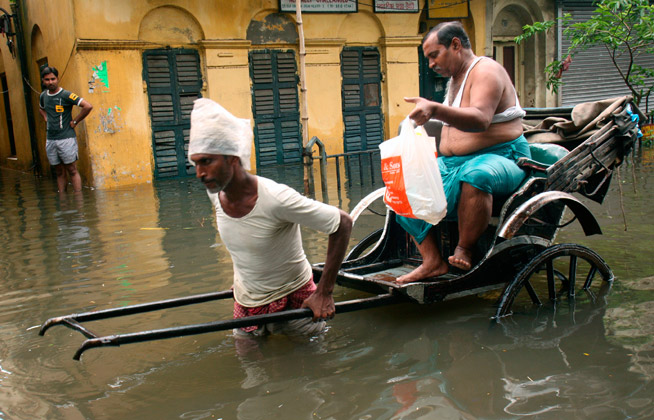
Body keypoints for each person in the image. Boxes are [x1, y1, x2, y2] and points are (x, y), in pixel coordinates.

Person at [188, 98, 353, 338]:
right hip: (246, 302)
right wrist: (247, 278)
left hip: (295, 300)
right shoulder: (215, 191)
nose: (200, 173)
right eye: (195, 163)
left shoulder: (275, 198)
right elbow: (243, 236)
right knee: (250, 370)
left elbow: (343, 223)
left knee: (311, 371)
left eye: (206, 162)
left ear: (233, 158)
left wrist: (324, 293)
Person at [397, 21, 531, 282]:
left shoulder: (486, 70)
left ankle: (465, 248)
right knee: (402, 180)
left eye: (434, 55)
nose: (431, 64)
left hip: (503, 156)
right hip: (454, 161)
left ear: (455, 45)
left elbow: (480, 118)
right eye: (428, 59)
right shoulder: (455, 78)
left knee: (477, 174)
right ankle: (432, 260)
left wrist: (434, 109)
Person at [38, 66, 93, 193]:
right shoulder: (43, 96)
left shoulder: (66, 95)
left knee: (72, 169)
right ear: (43, 81)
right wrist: (46, 117)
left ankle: (79, 202)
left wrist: (75, 121)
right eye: (47, 80)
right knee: (58, 171)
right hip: (51, 139)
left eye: (53, 79)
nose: (50, 82)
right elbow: (41, 108)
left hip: (66, 138)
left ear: (58, 79)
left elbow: (88, 106)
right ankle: (63, 200)